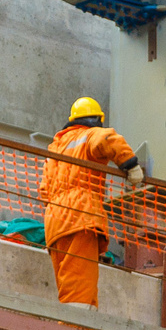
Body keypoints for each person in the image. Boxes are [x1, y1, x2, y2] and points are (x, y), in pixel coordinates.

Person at [39, 95, 143, 307]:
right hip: (80, 217)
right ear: (96, 119)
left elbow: (44, 191)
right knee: (79, 287)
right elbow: (107, 140)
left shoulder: (55, 148)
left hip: (54, 222)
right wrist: (130, 165)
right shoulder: (89, 135)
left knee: (68, 287)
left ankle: (79, 328)